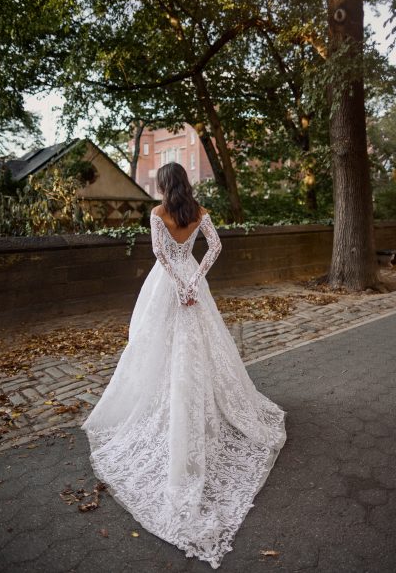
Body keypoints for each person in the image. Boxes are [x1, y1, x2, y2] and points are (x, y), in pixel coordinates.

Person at [81, 162, 287, 569]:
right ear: (186, 184)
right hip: (192, 277)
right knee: (196, 347)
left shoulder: (157, 214)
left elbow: (159, 254)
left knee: (155, 345)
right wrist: (193, 281)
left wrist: (178, 285)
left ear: (163, 185)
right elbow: (215, 247)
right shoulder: (200, 213)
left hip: (165, 284)